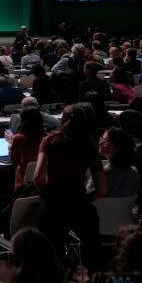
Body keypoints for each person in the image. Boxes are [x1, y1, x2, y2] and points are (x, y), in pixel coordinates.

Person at [33, 105, 105, 270]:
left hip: (54, 205)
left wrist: (46, 195)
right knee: (93, 254)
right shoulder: (89, 146)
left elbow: (38, 175)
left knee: (49, 256)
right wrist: (83, 200)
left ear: (63, 119)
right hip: (80, 204)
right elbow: (102, 189)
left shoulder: (49, 141)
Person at [8, 107, 45, 191]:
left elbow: (14, 160)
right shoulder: (46, 138)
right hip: (42, 181)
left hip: (23, 182)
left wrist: (10, 145)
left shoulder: (19, 139)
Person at [99, 127, 140, 197]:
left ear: (117, 148)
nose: (100, 142)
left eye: (104, 140)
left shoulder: (103, 175)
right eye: (101, 138)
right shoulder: (134, 173)